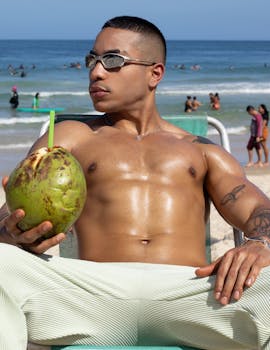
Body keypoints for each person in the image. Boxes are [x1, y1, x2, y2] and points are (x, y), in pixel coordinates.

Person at [0, 16, 270, 350]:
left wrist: (259, 243)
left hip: (192, 294)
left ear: (154, 73)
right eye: (92, 60)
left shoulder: (199, 149)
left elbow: (258, 208)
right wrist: (9, 232)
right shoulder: (69, 137)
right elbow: (8, 216)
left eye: (112, 61)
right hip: (89, 295)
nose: (96, 72)